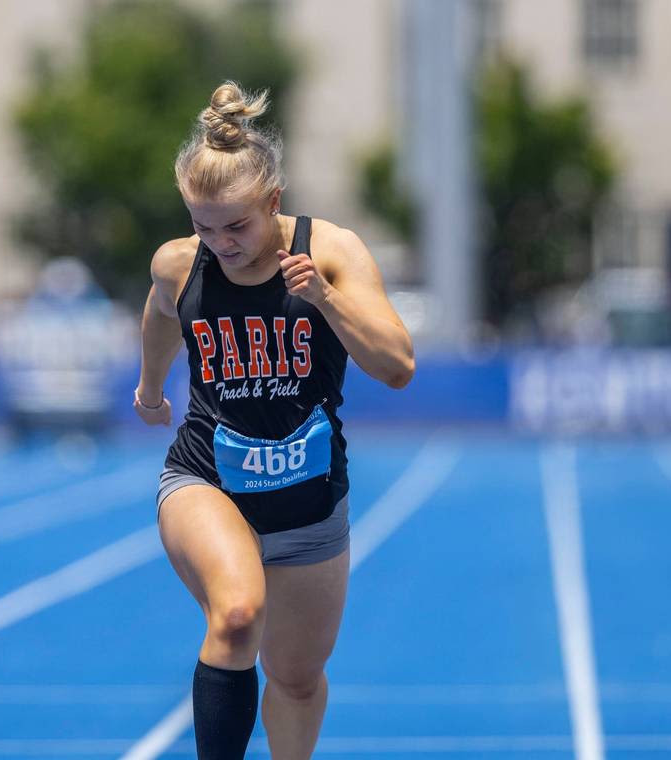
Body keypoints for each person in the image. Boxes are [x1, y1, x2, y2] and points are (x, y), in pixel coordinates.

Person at [134, 81, 414, 759]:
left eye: (237, 226)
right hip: (207, 480)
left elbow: (398, 364)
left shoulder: (331, 252)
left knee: (294, 678)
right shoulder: (181, 263)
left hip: (310, 500)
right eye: (204, 226)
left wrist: (323, 298)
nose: (221, 244)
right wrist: (150, 387)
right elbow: (163, 313)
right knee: (235, 614)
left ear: (273, 203)